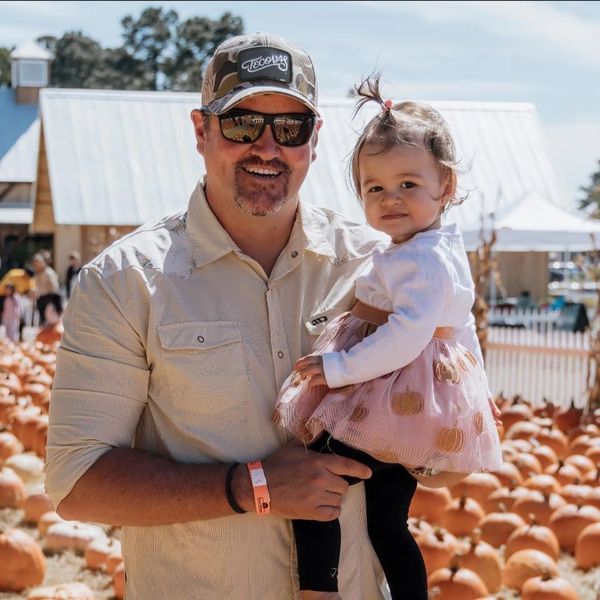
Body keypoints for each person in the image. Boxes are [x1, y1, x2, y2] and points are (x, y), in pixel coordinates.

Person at [45, 34, 391, 600]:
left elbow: (446, 458)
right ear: (201, 131)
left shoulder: (376, 269)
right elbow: (77, 481)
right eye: (241, 124)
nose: (266, 147)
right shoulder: (127, 280)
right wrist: (253, 487)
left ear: (314, 140)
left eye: (289, 128)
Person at [275, 75, 504, 599]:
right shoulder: (433, 247)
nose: (390, 198)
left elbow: (404, 339)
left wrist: (338, 368)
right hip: (406, 400)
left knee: (317, 477)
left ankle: (319, 586)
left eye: (407, 184)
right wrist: (476, 394)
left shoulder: (422, 260)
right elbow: (462, 328)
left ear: (445, 185)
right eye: (374, 188)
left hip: (389, 398)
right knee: (388, 522)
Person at [31, 253, 61, 325]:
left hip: (49, 299)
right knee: (44, 322)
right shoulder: (37, 274)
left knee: (51, 322)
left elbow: (54, 288)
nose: (36, 266)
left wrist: (55, 303)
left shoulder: (49, 273)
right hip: (41, 299)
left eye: (38, 263)